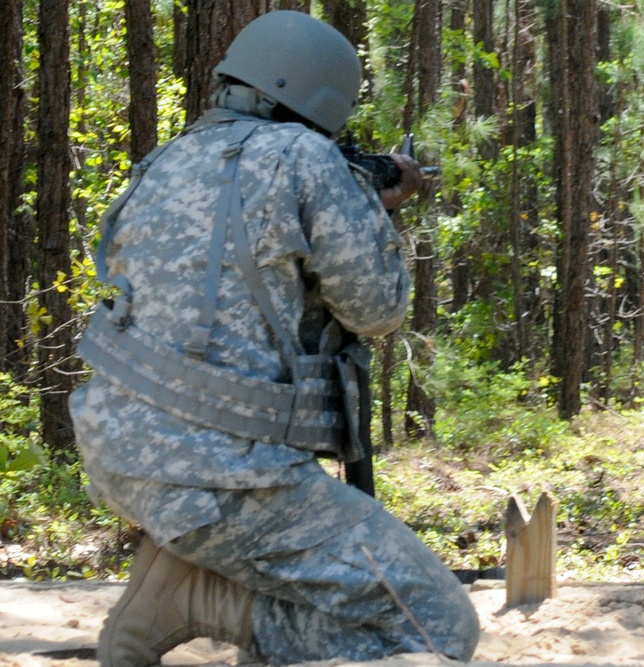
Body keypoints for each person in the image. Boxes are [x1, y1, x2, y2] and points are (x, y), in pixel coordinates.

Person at [70, 11, 479, 666]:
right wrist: (374, 207)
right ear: (323, 96)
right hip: (228, 477)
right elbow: (377, 310)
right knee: (437, 626)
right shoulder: (308, 159)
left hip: (119, 452)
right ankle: (204, 602)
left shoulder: (170, 158)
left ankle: (177, 589)